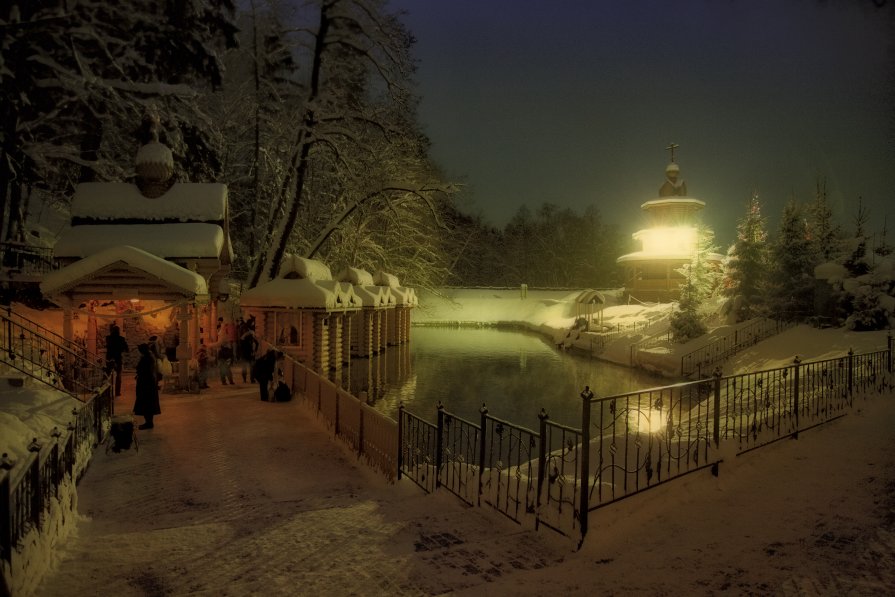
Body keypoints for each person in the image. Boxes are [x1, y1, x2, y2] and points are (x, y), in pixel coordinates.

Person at [133, 343, 161, 429]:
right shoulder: (149, 356)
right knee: (148, 403)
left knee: (147, 403)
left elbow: (144, 370)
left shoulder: (147, 358)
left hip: (147, 384)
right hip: (148, 382)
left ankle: (149, 423)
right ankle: (148, 422)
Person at [105, 323, 129, 397]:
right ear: (119, 331)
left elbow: (107, 346)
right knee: (118, 375)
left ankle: (106, 391)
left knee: (107, 375)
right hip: (118, 358)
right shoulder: (121, 339)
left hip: (109, 358)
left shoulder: (108, 338)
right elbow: (126, 349)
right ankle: (117, 392)